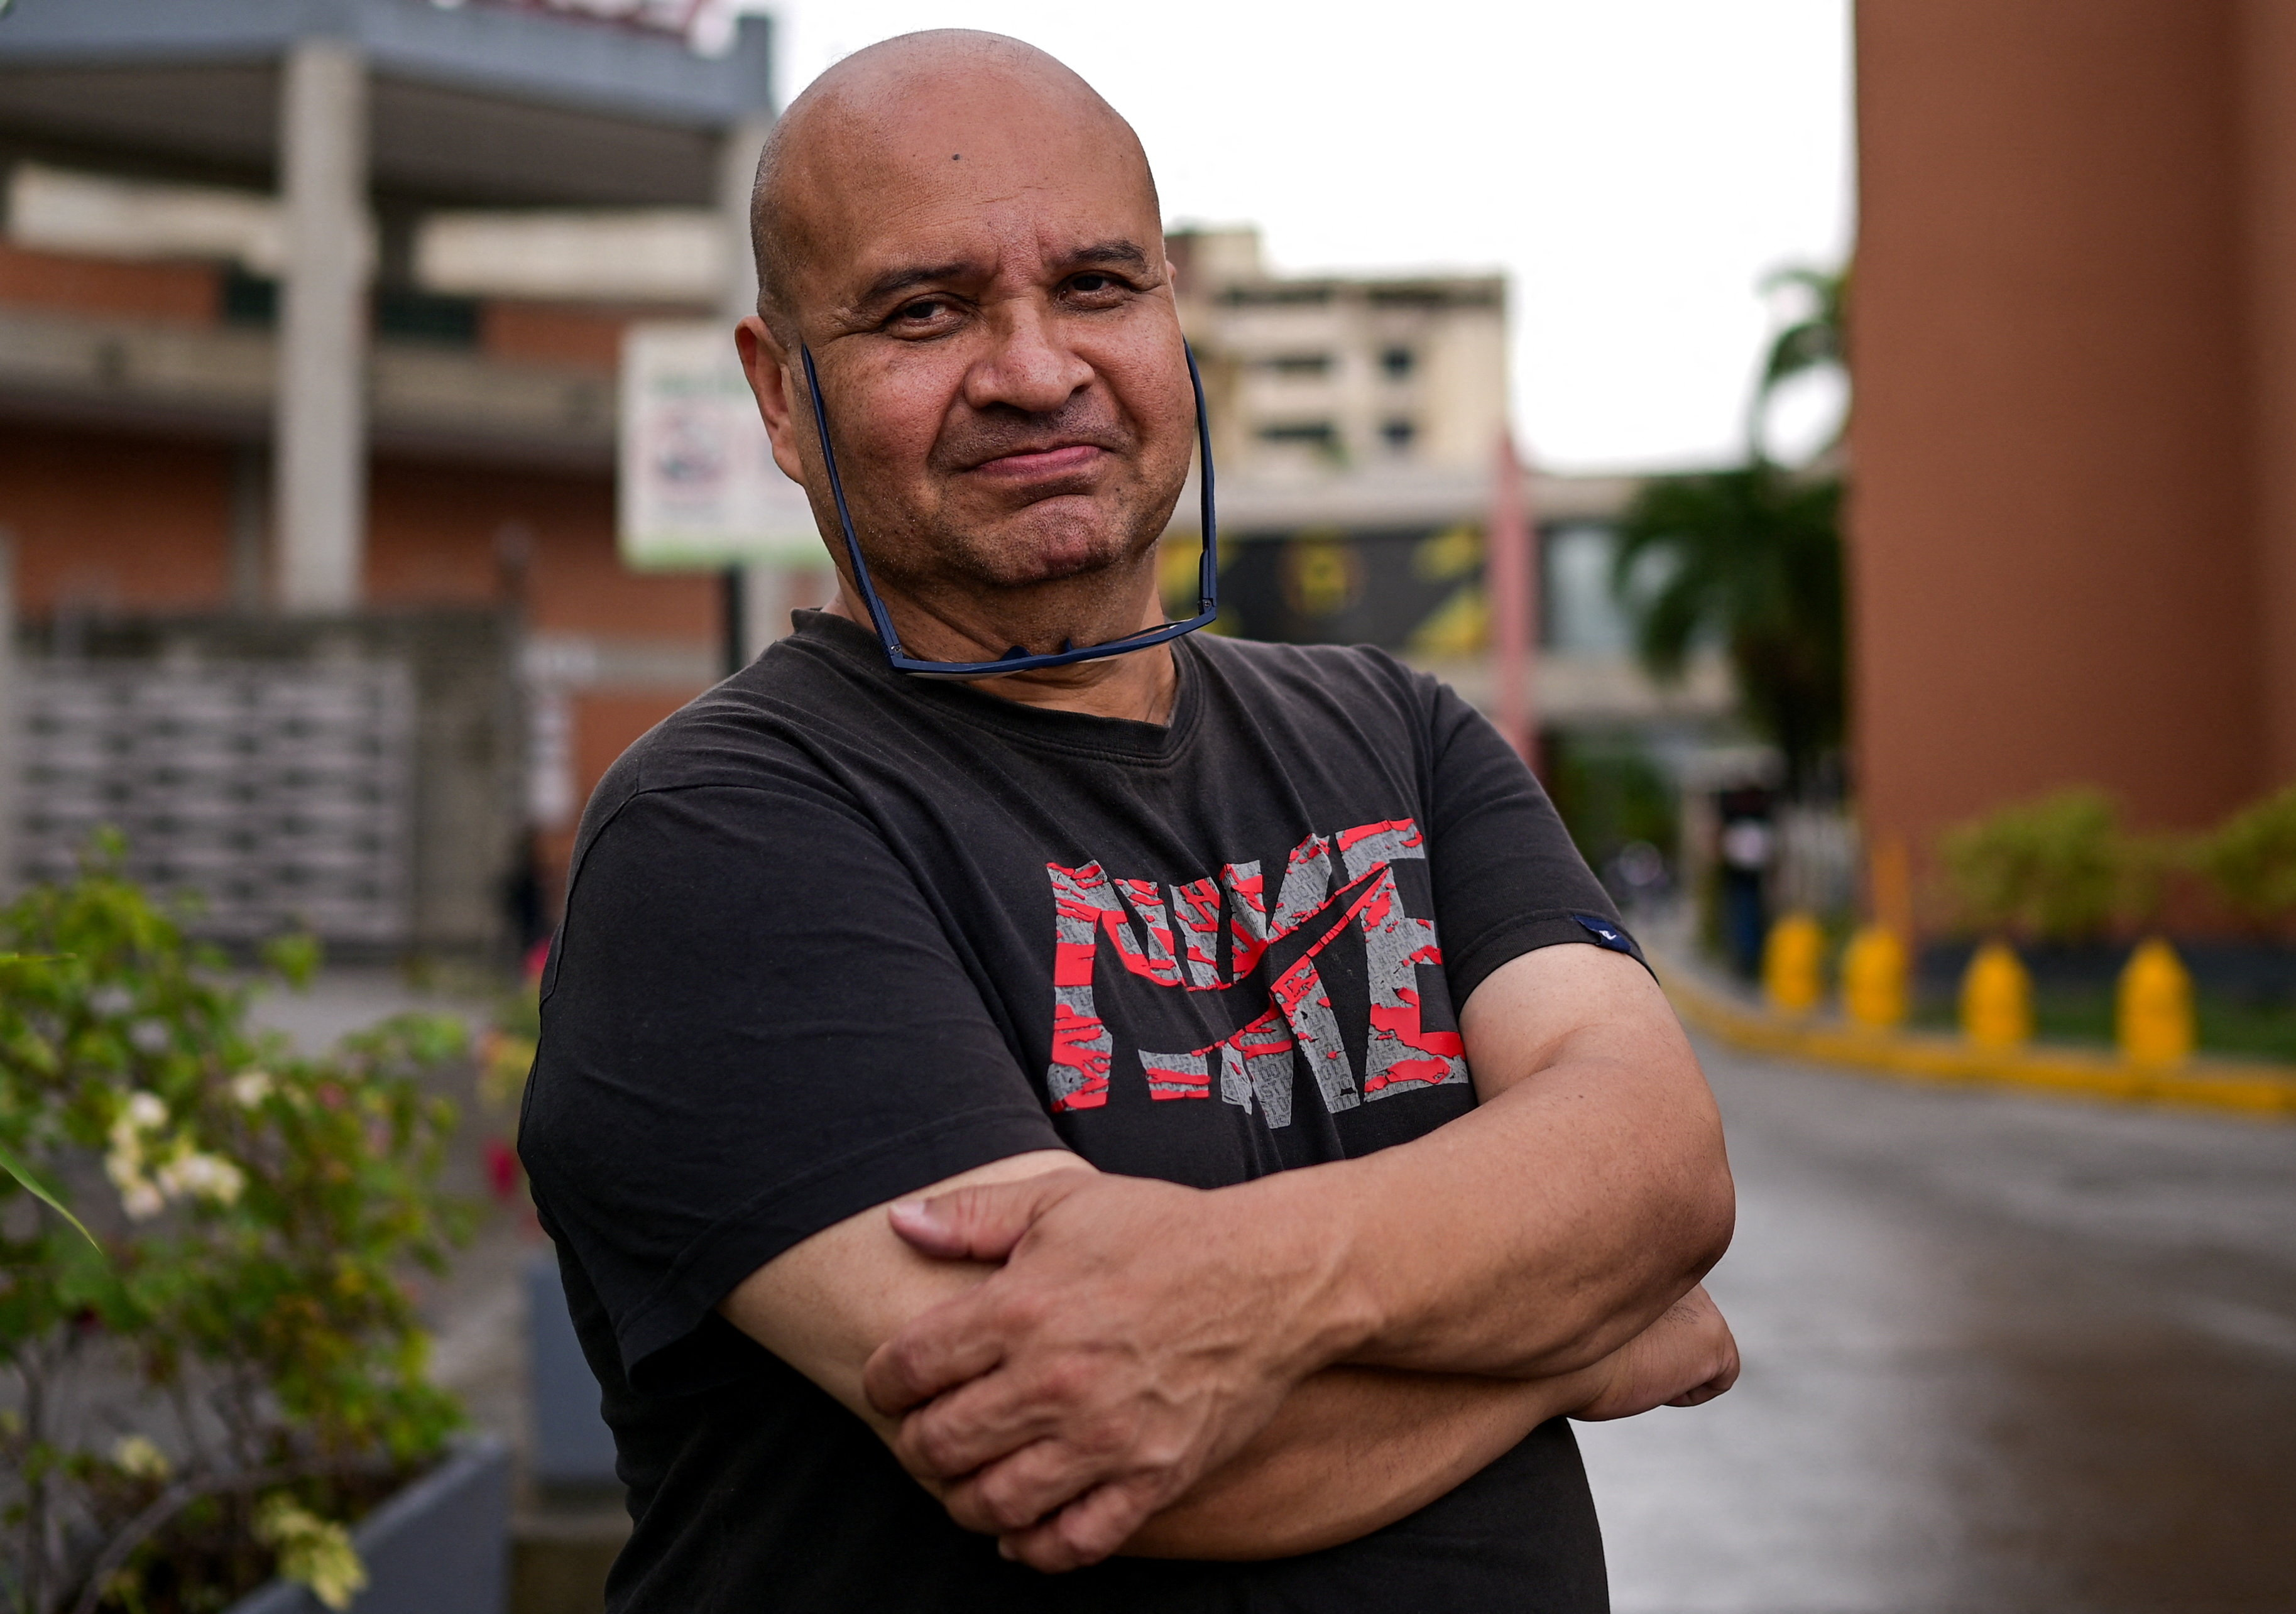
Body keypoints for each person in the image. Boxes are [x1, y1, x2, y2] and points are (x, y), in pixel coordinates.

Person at [519, 30, 1738, 1612]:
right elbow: (1106, 1440)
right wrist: (1582, 1323)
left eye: (1098, 285)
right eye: (924, 310)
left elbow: (1663, 1166)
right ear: (780, 397)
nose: (1035, 368)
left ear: (1175, 321)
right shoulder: (720, 836)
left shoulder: (1403, 732)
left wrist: (1249, 1293)